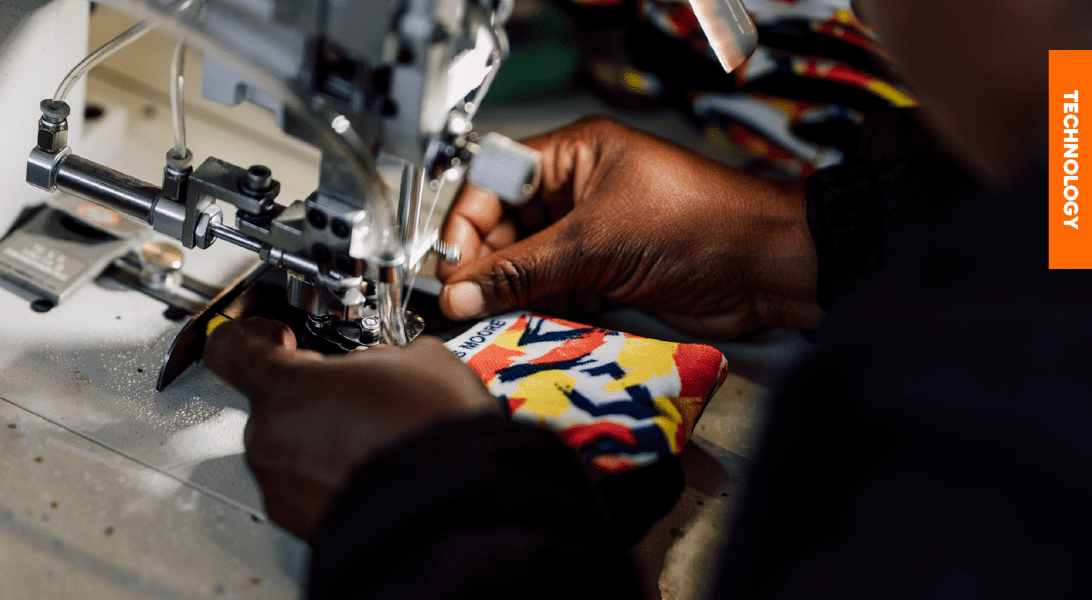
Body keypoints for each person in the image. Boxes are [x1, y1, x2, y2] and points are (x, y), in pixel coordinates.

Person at [204, 0, 1091, 597]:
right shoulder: (1071, 142)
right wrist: (807, 243)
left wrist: (439, 510)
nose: (856, 13)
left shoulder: (1010, 438)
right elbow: (1068, 203)